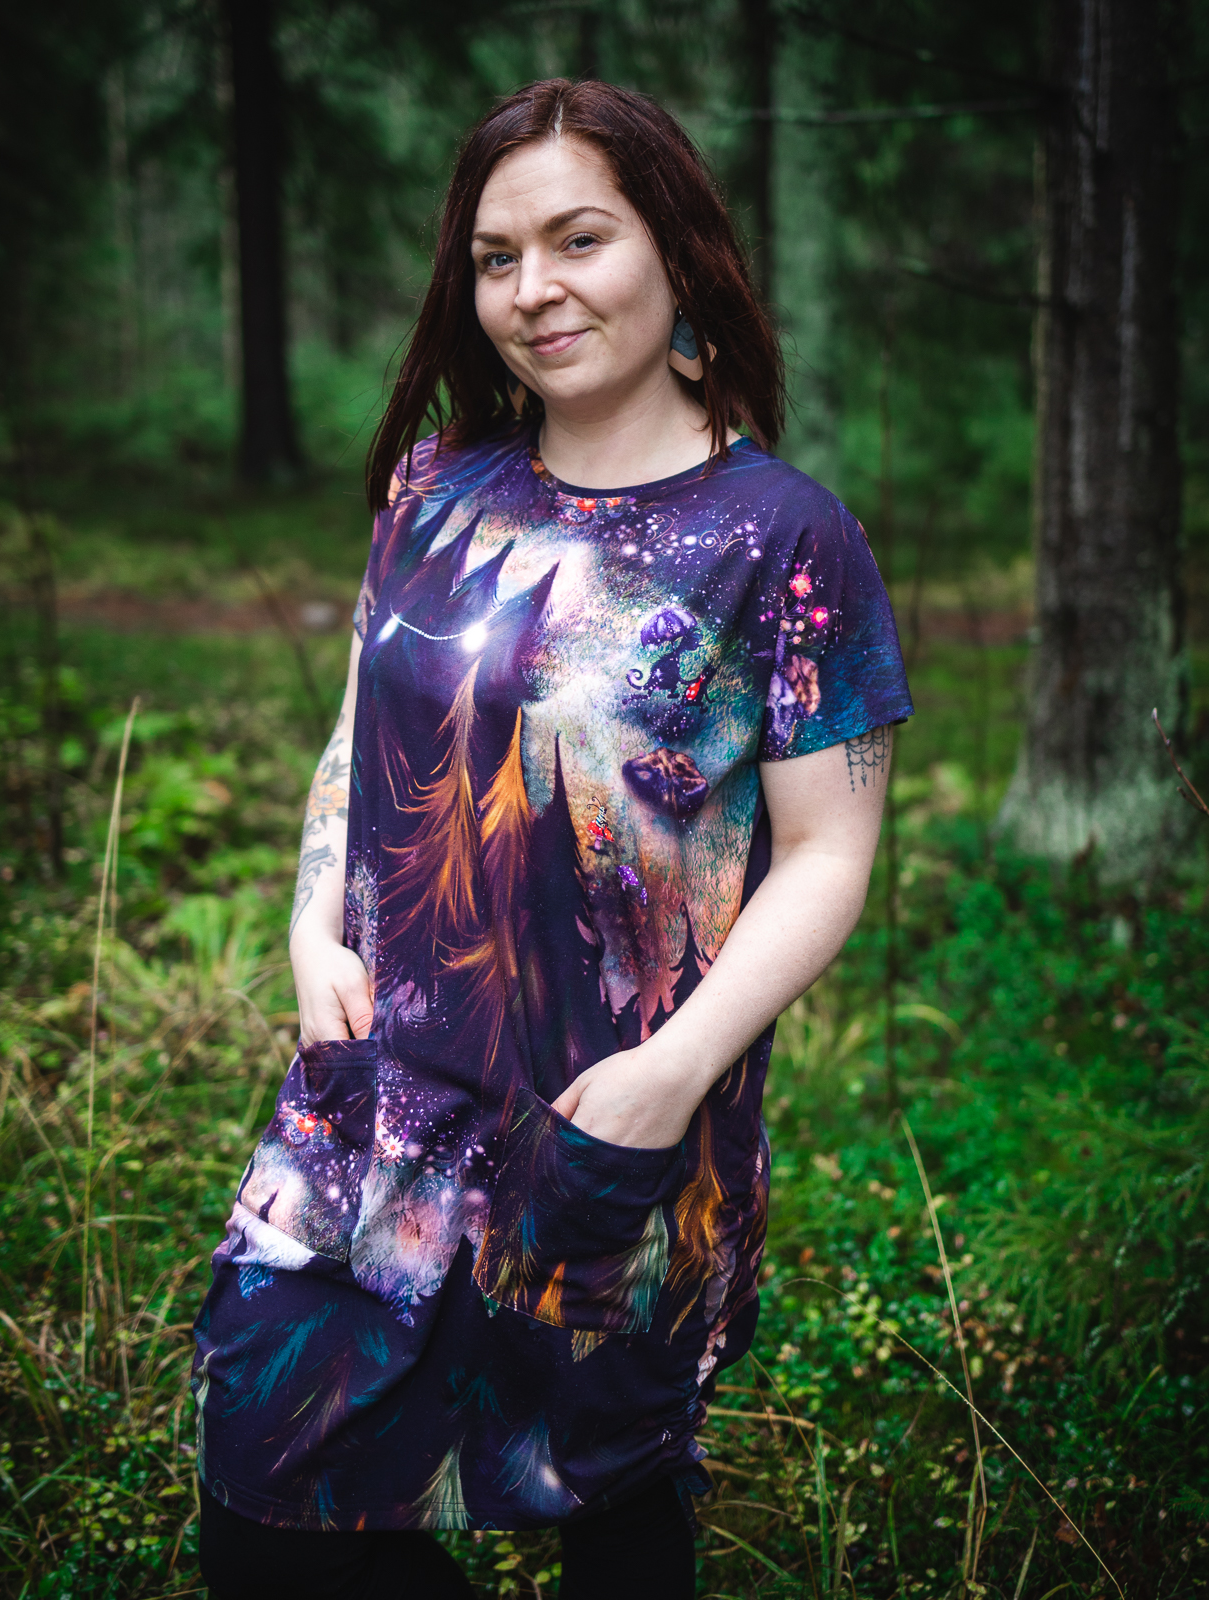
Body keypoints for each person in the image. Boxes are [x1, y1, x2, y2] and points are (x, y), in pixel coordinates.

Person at [192, 77, 912, 1600]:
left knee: (613, 1506)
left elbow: (828, 855)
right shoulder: (435, 486)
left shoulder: (783, 538)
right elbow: (360, 733)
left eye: (579, 239)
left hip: (615, 1116)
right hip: (379, 1104)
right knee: (264, 1491)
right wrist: (313, 922)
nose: (533, 289)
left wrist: (671, 1074)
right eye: (495, 257)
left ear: (679, 252)